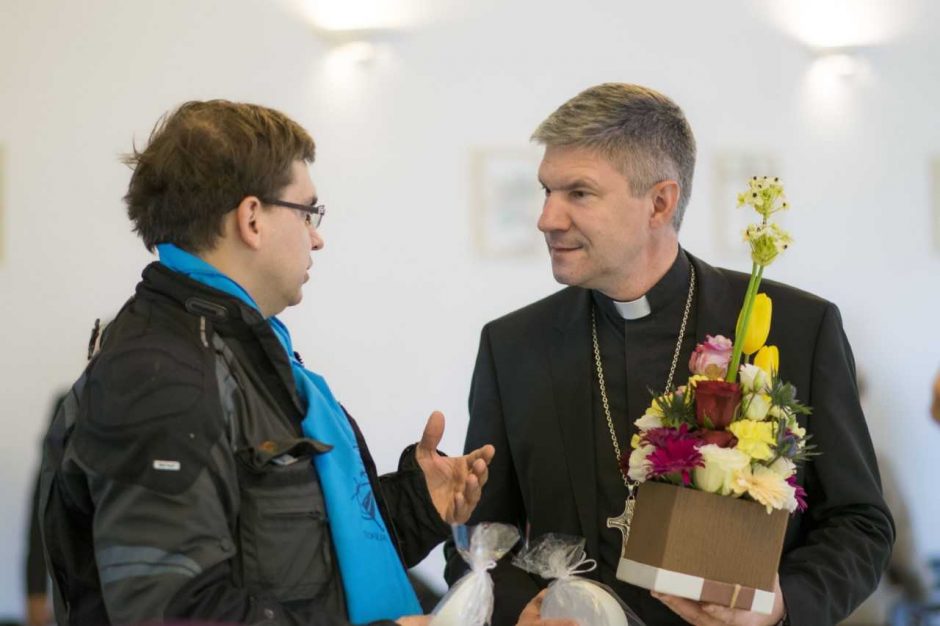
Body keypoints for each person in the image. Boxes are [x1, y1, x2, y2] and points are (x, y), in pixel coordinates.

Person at [445, 83, 894, 626]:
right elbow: (478, 536)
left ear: (660, 201)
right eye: (546, 191)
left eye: (578, 194)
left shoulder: (798, 327)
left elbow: (859, 522)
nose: (547, 218)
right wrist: (523, 610)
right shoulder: (513, 344)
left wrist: (781, 605)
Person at [38, 100, 494, 626]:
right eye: (308, 212)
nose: (317, 237)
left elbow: (293, 558)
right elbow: (172, 612)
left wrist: (417, 503)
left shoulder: (237, 348)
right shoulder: (160, 376)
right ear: (252, 218)